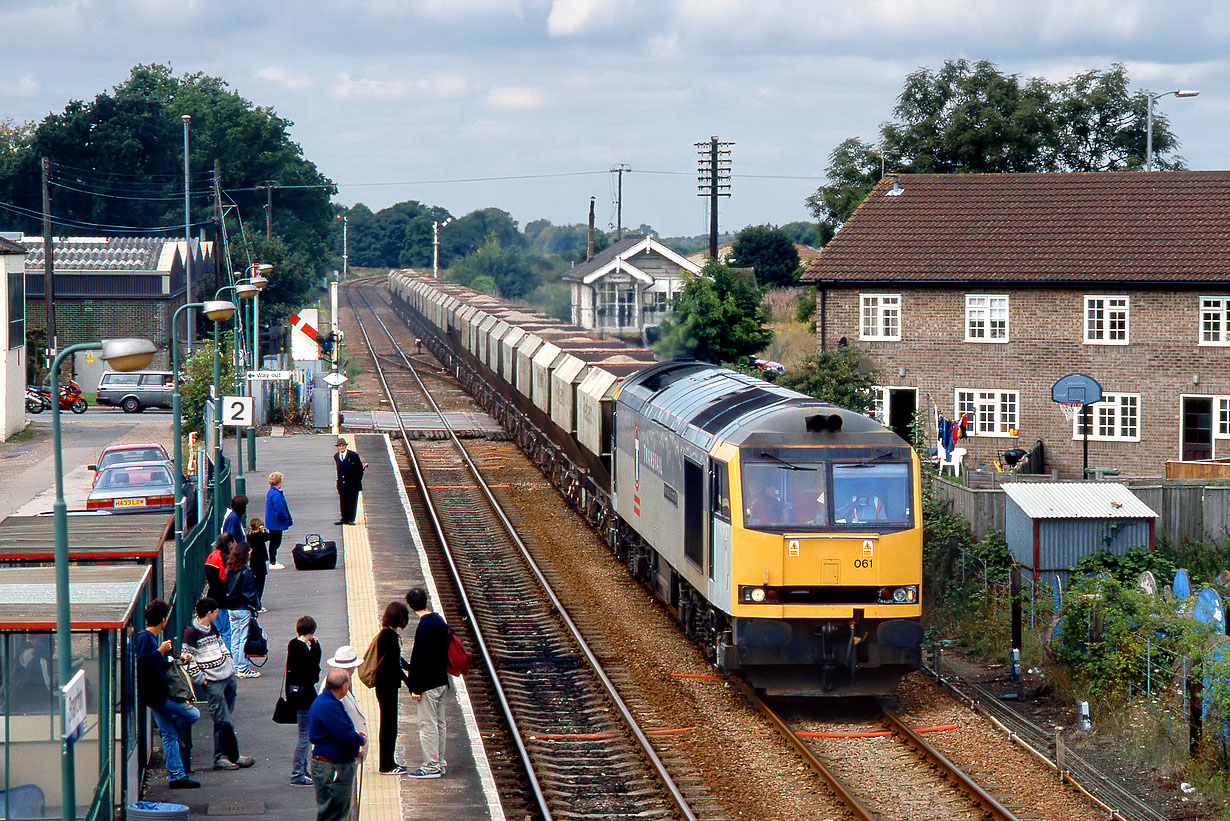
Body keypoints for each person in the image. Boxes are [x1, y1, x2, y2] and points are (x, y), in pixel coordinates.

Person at [134, 599, 201, 789]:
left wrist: (176, 658)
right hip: (158, 695)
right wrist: (160, 651)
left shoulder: (147, 638)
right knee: (192, 714)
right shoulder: (145, 638)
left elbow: (152, 663)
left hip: (154, 695)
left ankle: (176, 775)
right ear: (163, 620)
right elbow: (144, 663)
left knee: (168, 734)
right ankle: (176, 774)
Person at [182, 597, 255, 771]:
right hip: (213, 681)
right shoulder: (191, 633)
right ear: (209, 613)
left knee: (224, 719)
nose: (217, 614)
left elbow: (222, 646)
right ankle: (231, 756)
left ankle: (223, 756)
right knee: (225, 720)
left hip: (226, 676)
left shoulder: (212, 628)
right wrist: (203, 680)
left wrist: (228, 664)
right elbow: (188, 660)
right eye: (215, 612)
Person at [404, 587, 449, 778]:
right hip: (441, 681)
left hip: (428, 685)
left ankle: (431, 767)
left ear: (410, 606)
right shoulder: (439, 620)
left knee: (427, 725)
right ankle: (440, 762)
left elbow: (420, 659)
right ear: (426, 600)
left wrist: (415, 687)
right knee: (439, 724)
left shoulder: (424, 627)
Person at [309, 669, 366, 821]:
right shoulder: (330, 706)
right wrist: (360, 739)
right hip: (333, 766)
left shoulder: (324, 701)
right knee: (336, 812)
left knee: (329, 811)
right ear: (344, 687)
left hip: (325, 762)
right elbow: (344, 736)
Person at [375, 601, 412, 774]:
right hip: (387, 687)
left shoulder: (387, 634)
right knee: (389, 726)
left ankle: (389, 762)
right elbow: (393, 665)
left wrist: (410, 668)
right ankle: (386, 765)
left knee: (389, 724)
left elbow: (397, 660)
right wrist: (409, 682)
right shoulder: (389, 636)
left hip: (386, 686)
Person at [287, 616, 322, 786]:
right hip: (305, 698)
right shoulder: (304, 651)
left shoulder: (293, 644)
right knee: (304, 737)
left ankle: (303, 770)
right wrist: (316, 648)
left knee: (304, 735)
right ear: (312, 631)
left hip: (295, 696)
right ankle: (297, 774)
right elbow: (314, 674)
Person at [224, 542, 261, 679]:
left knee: (235, 637)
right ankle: (243, 668)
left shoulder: (229, 568)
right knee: (243, 638)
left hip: (231, 607)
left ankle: (235, 666)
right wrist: (255, 607)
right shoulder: (246, 571)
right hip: (243, 607)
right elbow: (250, 592)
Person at [205, 533, 235, 647]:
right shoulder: (225, 558)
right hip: (223, 600)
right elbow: (226, 579)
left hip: (212, 597)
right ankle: (228, 655)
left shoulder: (212, 556)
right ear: (230, 544)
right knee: (227, 630)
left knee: (216, 631)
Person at [264, 471, 293, 569]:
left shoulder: (271, 492)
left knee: (274, 541)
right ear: (279, 483)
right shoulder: (276, 495)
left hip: (272, 522)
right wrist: (285, 518)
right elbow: (280, 509)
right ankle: (272, 562)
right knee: (275, 542)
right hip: (276, 523)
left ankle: (272, 561)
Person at [334, 439, 364, 526]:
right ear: (337, 447)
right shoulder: (336, 456)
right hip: (342, 483)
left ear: (345, 446)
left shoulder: (353, 455)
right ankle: (344, 518)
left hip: (353, 483)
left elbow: (360, 469)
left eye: (343, 445)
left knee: (352, 501)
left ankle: (350, 519)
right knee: (343, 500)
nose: (341, 447)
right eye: (339, 446)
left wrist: (357, 480)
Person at [247, 517, 270, 610]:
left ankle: (255, 602)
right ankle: (257, 603)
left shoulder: (249, 535)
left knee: (255, 583)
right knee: (260, 584)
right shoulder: (260, 536)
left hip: (253, 561)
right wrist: (263, 531)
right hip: (260, 562)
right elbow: (268, 537)